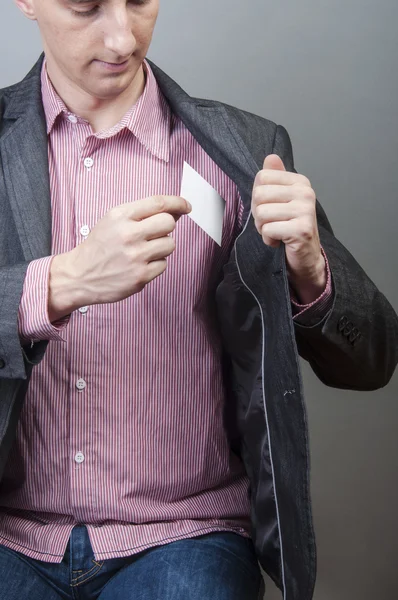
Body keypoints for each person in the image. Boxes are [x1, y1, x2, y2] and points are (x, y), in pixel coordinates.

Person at [0, 0, 397, 599]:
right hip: (11, 533)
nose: (122, 36)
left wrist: (312, 273)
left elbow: (373, 362)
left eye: (139, 2)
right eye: (85, 7)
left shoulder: (242, 150)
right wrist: (61, 284)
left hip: (185, 533)